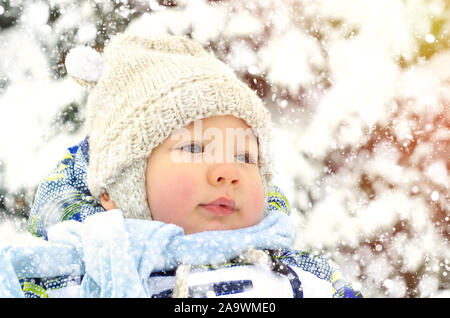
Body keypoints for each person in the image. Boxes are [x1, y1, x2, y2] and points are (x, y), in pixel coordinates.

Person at [2, 34, 362, 298]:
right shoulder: (70, 282)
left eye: (245, 157)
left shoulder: (307, 282)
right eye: (192, 148)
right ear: (117, 190)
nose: (228, 172)